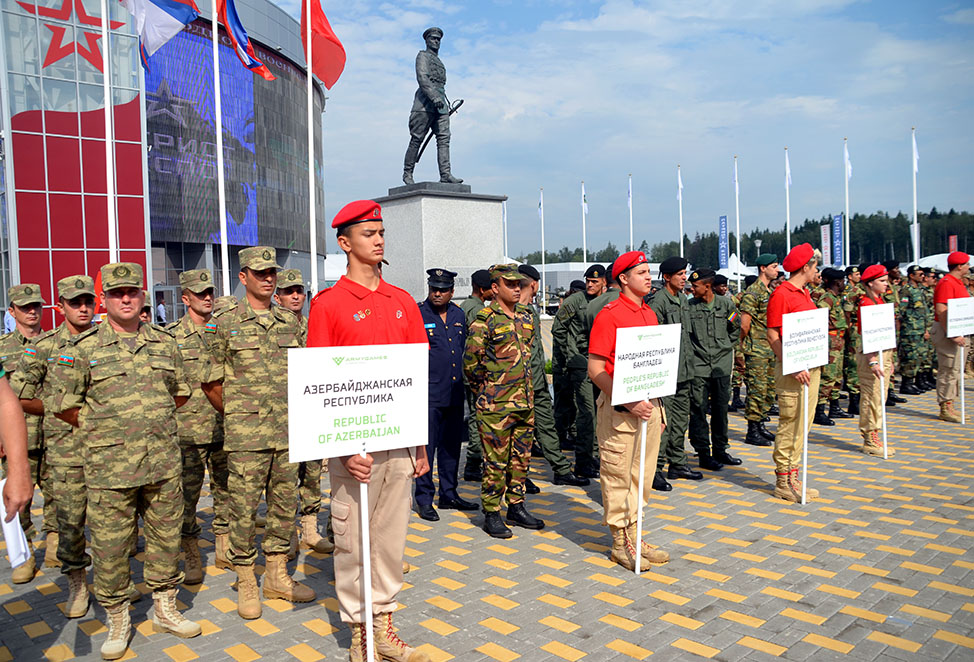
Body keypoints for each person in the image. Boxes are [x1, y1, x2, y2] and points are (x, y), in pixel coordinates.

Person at [49, 263, 201, 659]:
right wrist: (109, 430)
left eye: (133, 291)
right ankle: (118, 618)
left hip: (162, 464)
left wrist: (148, 425)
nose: (127, 299)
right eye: (118, 293)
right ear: (105, 300)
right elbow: (64, 405)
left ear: (143, 296)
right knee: (112, 549)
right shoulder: (83, 349)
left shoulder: (165, 343)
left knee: (166, 540)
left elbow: (180, 393)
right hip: (109, 470)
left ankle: (166, 607)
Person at [306, 200, 431, 662]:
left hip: (397, 445)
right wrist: (340, 452)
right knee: (354, 541)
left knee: (391, 538)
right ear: (345, 243)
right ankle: (362, 635)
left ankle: (385, 627)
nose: (378, 240)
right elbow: (320, 385)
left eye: (381, 232)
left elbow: (414, 378)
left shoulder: (401, 302)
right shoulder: (329, 305)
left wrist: (419, 445)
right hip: (353, 451)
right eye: (367, 234)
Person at [201, 248, 316, 621]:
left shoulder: (290, 321)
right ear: (243, 276)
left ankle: (278, 575)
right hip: (247, 437)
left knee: (284, 508)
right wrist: (238, 413)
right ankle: (247, 578)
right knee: (244, 511)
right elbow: (210, 380)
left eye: (272, 272)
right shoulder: (225, 322)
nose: (268, 278)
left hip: (287, 433)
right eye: (260, 272)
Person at [11, 276, 95, 615]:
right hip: (64, 448)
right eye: (75, 302)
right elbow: (18, 392)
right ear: (61, 307)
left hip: (110, 449)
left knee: (110, 521)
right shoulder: (44, 347)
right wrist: (62, 409)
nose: (83, 308)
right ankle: (77, 584)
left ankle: (111, 581)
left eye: (88, 301)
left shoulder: (111, 341)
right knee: (71, 520)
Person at [588, 251, 669, 571]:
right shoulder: (610, 314)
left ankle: (635, 534)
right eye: (641, 272)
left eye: (649, 272)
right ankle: (620, 544)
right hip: (620, 409)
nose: (649, 277)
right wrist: (628, 399)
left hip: (648, 408)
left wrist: (658, 410)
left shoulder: (649, 313)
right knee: (619, 475)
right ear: (623, 278)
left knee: (642, 476)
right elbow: (596, 369)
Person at [465, 264, 544, 539]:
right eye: (509, 284)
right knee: (495, 462)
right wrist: (487, 393)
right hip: (496, 406)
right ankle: (491, 512)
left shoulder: (525, 316)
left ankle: (516, 506)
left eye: (518, 284)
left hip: (525, 403)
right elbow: (471, 365)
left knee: (520, 459)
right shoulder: (484, 319)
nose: (516, 288)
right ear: (495, 288)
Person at [166, 269, 230, 584]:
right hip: (187, 432)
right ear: (185, 297)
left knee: (227, 491)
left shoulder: (225, 331)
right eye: (200, 293)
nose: (207, 298)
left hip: (224, 427)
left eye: (210, 292)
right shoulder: (171, 338)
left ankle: (224, 544)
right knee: (186, 498)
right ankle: (191, 552)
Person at [275, 268, 333, 555]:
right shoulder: (272, 330)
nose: (295, 296)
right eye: (289, 291)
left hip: (311, 412)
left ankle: (309, 527)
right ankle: (287, 534)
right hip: (282, 414)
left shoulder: (315, 326)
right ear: (278, 297)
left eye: (299, 291)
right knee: (284, 478)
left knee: (311, 473)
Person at [415, 268, 479, 522]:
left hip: (454, 392)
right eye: (434, 288)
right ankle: (424, 499)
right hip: (428, 395)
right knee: (426, 450)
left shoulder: (458, 314)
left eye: (442, 289)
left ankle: (449, 493)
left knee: (451, 447)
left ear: (452, 292)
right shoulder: (419, 314)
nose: (437, 293)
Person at [517, 264, 588, 487]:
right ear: (535, 284)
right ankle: (519, 476)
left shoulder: (529, 311)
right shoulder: (514, 312)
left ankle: (561, 470)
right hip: (519, 385)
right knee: (521, 433)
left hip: (536, 382)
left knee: (546, 426)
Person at [0, 283, 51, 583]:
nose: (32, 311)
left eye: (36, 306)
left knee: (62, 498)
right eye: (24, 307)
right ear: (12, 311)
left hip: (56, 436)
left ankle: (59, 547)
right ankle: (24, 555)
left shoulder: (55, 343)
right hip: (20, 439)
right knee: (19, 502)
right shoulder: (3, 348)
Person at [766, 245, 821, 504]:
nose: (816, 270)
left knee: (803, 423)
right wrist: (792, 364)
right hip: (793, 371)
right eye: (814, 265)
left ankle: (794, 475)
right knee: (790, 422)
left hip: (810, 367)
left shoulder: (804, 293)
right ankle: (783, 479)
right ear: (804, 267)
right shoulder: (782, 294)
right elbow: (773, 335)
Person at [648, 257, 702, 486]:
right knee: (663, 422)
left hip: (684, 371)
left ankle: (677, 462)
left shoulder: (683, 299)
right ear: (667, 277)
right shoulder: (658, 302)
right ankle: (656, 468)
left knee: (680, 420)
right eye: (679, 274)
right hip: (666, 374)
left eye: (685, 273)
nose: (684, 277)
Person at [552, 264, 607, 479]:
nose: (590, 285)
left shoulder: (607, 302)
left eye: (595, 281)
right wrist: (571, 354)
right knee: (586, 412)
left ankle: (594, 454)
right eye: (588, 281)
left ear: (604, 281)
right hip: (581, 364)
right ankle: (583, 460)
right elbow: (558, 329)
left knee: (599, 411)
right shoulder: (576, 301)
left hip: (602, 363)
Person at [686, 268, 742, 470]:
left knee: (720, 410)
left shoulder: (726, 305)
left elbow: (737, 327)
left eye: (695, 286)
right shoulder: (689, 307)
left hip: (721, 366)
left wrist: (727, 347)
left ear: (707, 286)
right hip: (699, 367)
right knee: (698, 410)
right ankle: (703, 452)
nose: (691, 289)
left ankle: (720, 449)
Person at [402, 27, 462, 185]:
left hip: (441, 107)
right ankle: (407, 172)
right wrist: (434, 97)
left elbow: (441, 84)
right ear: (427, 40)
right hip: (424, 105)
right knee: (416, 139)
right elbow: (422, 78)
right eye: (433, 38)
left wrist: (442, 101)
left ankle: (445, 174)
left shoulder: (440, 63)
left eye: (438, 39)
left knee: (444, 139)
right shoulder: (422, 56)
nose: (436, 41)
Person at [856, 265, 897, 456]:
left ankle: (875, 433)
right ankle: (869, 437)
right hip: (871, 353)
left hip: (884, 352)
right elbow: (867, 334)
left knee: (880, 395)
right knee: (872, 396)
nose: (886, 283)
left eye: (886, 280)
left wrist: (891, 360)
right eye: (882, 280)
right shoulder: (866, 303)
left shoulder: (879, 301)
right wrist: (872, 360)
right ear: (870, 283)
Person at [740, 254, 779, 446]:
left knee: (768, 390)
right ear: (763, 268)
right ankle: (752, 430)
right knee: (757, 390)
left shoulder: (769, 291)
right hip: (756, 349)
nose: (777, 270)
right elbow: (744, 324)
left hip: (769, 348)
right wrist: (742, 345)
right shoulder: (753, 292)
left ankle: (761, 424)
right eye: (773, 266)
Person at [931, 251, 971, 422]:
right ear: (959, 266)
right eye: (967, 264)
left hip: (959, 330)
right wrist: (952, 333)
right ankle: (945, 406)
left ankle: (951, 403)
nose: (969, 267)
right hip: (948, 331)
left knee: (955, 369)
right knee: (948, 369)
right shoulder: (947, 283)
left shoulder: (958, 282)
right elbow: (941, 310)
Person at [460, 269, 493, 482]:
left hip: (467, 371)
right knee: (476, 418)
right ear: (483, 289)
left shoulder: (465, 306)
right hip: (475, 373)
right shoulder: (478, 311)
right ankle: (473, 463)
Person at [814, 268, 852, 424]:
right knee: (827, 376)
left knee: (836, 376)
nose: (845, 284)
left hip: (838, 341)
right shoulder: (827, 298)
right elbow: (819, 317)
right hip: (830, 341)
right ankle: (819, 410)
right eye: (843, 281)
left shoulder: (836, 297)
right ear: (837, 282)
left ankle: (834, 407)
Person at [898, 265, 930, 395]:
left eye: (923, 274)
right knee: (910, 357)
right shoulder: (907, 290)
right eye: (920, 274)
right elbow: (902, 311)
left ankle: (917, 381)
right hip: (910, 330)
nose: (923, 276)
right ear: (912, 275)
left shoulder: (921, 289)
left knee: (919, 356)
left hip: (920, 329)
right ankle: (906, 383)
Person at [729, 275, 756, 412]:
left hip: (753, 339)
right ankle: (736, 397)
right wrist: (736, 326)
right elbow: (731, 315)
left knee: (749, 370)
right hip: (741, 338)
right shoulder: (739, 298)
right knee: (739, 368)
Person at [842, 265, 864, 415]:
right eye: (856, 274)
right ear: (850, 276)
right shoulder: (851, 291)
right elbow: (847, 315)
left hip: (861, 329)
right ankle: (854, 401)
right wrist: (848, 332)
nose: (859, 276)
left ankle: (858, 397)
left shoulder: (860, 289)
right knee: (853, 364)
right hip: (854, 329)